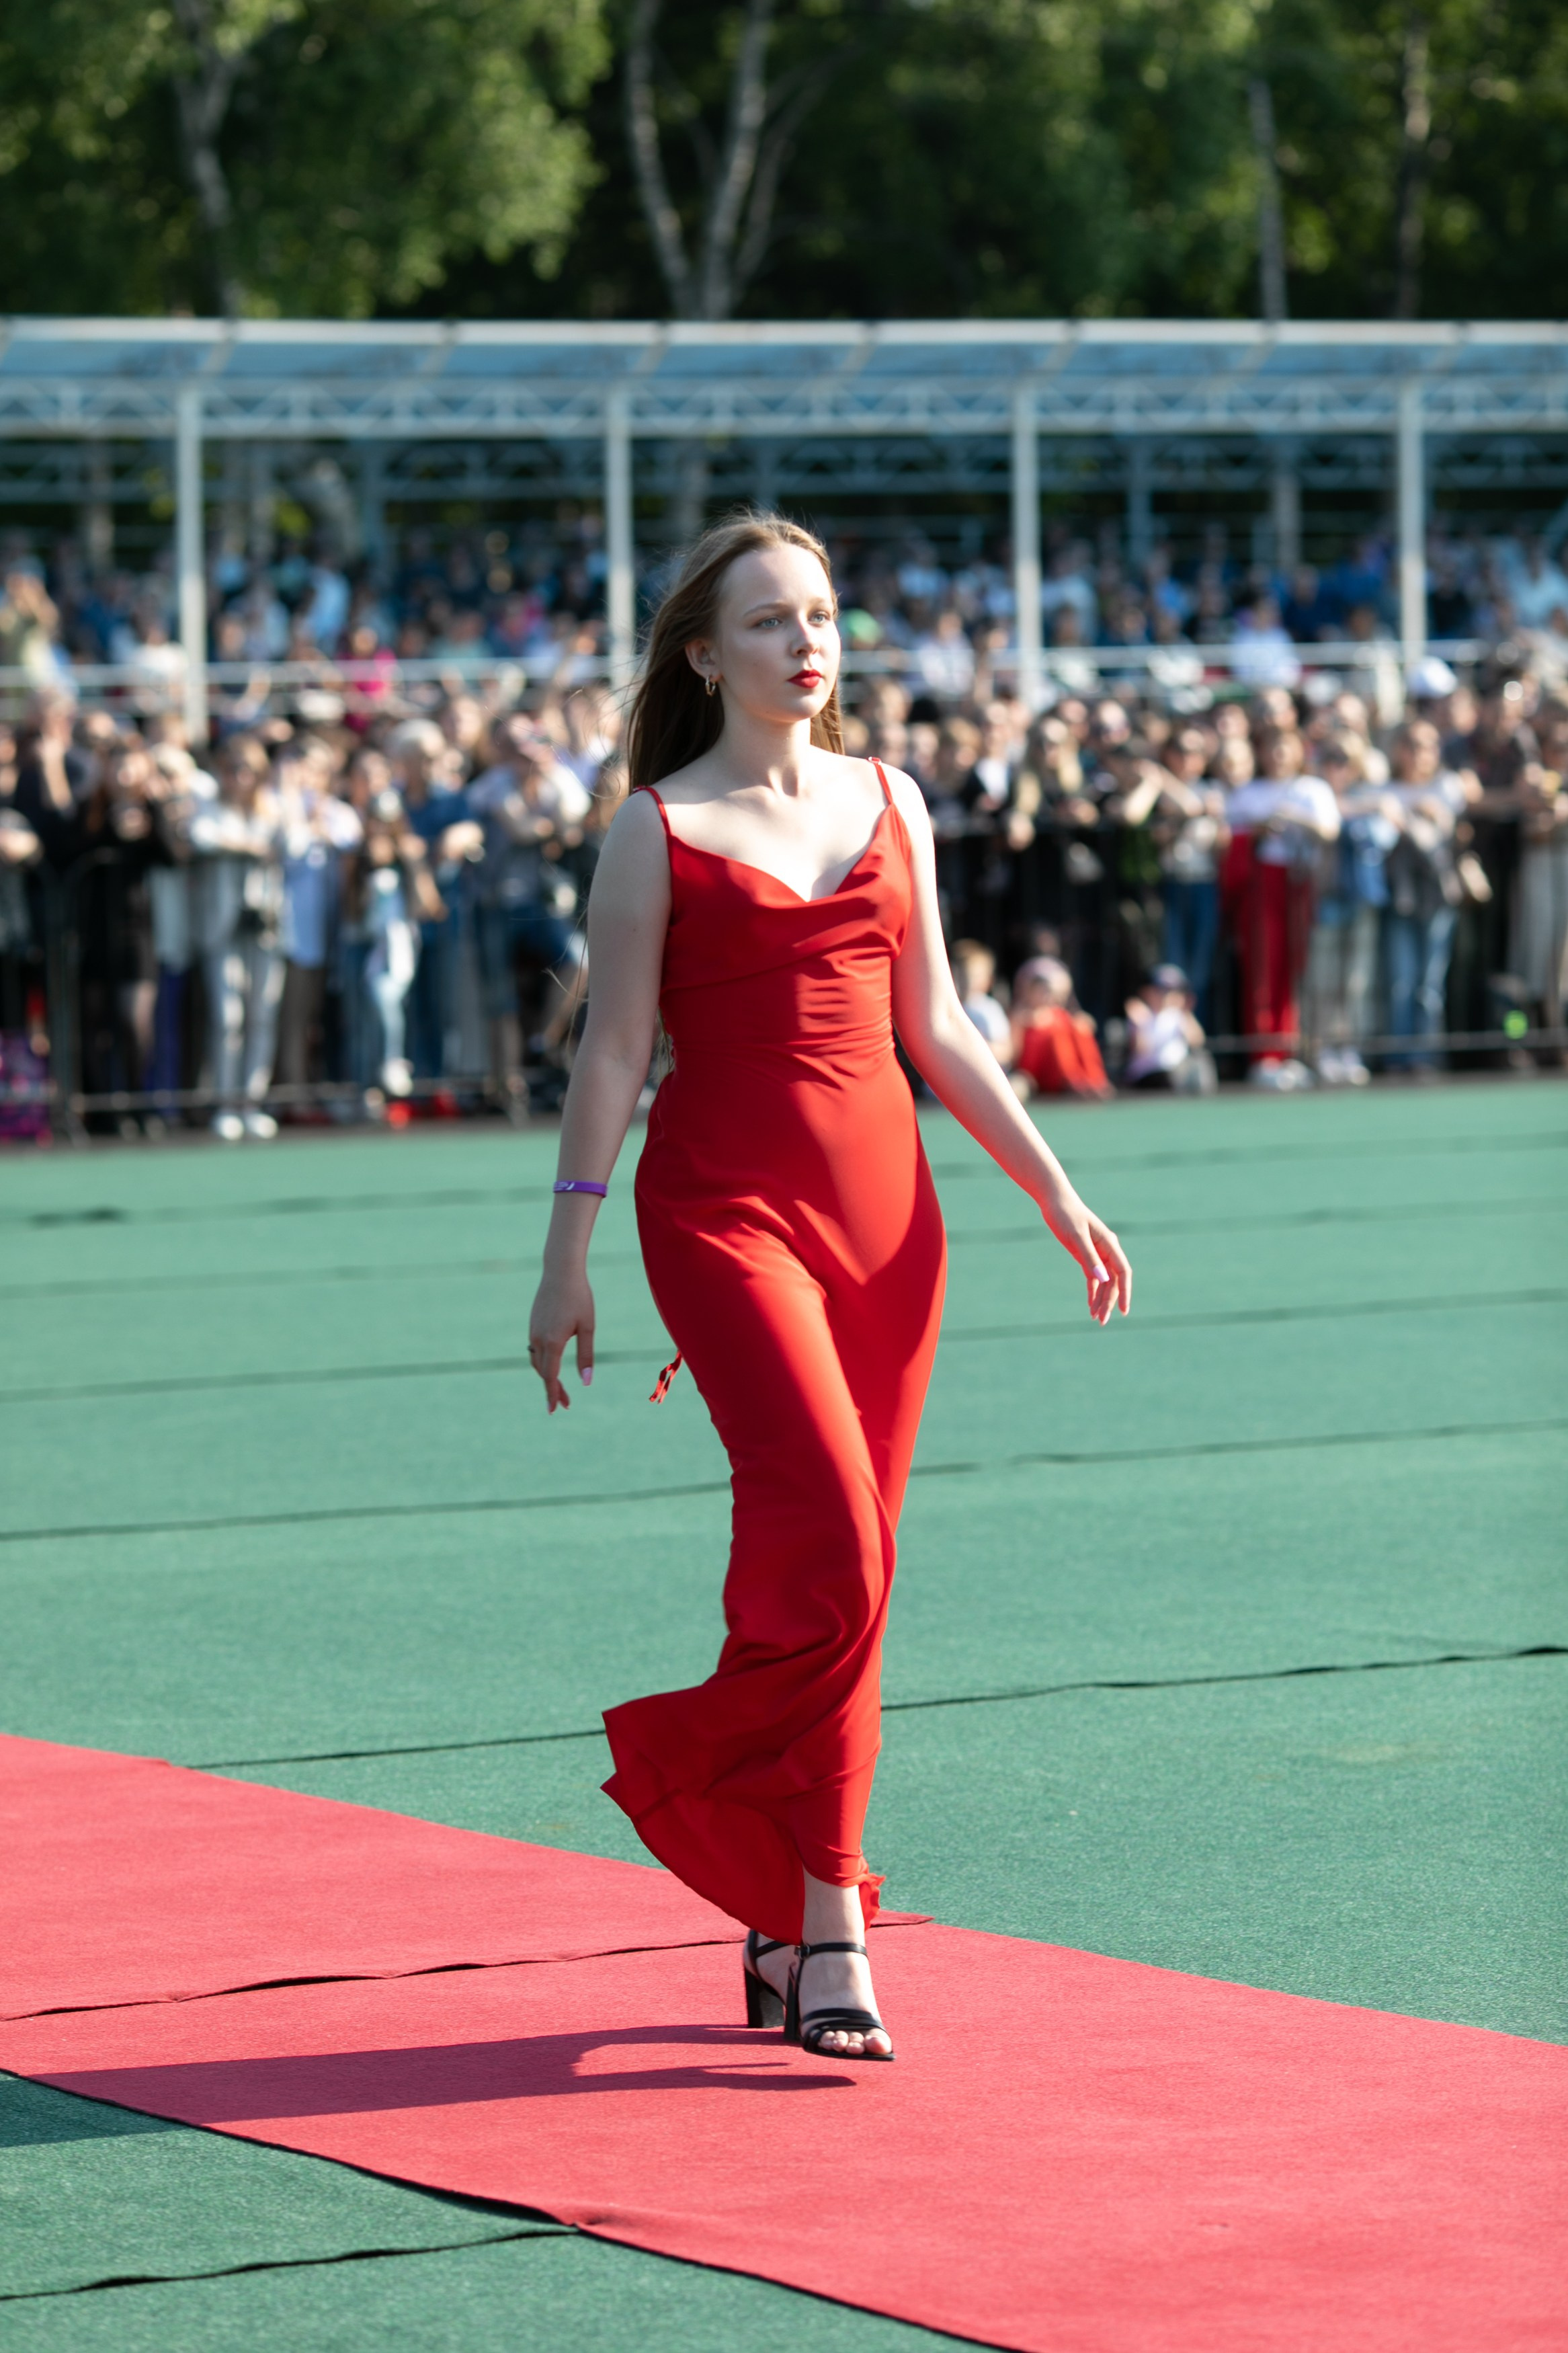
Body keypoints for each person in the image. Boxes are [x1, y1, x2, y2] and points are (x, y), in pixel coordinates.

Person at [526, 512, 1130, 2065]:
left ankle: (786, 1918)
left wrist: (1053, 1192)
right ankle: (821, 1900)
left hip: (890, 1230)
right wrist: (566, 1250)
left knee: (841, 1579)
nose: (811, 642)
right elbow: (611, 1050)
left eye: (825, 614)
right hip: (722, 1219)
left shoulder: (892, 800)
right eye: (773, 619)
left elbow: (936, 1026)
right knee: (842, 1557)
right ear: (701, 653)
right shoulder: (653, 829)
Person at [1008, 954, 1114, 1099]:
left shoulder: (1059, 1015)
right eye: (1040, 991)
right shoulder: (1020, 1017)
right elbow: (1015, 1053)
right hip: (1034, 1072)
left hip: (1057, 1072)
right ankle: (1073, 1081)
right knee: (1057, 1035)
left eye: (1047, 992)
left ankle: (1093, 1080)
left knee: (1079, 1030)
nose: (1044, 996)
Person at [1123, 963, 1215, 1092]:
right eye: (1161, 990)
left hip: (1176, 1074)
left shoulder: (1178, 1015)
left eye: (1173, 991)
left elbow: (1197, 1041)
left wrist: (1186, 1013)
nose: (1166, 995)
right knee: (1170, 1078)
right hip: (1148, 1077)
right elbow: (1142, 1049)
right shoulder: (1141, 1014)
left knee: (1201, 1064)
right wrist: (1141, 1025)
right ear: (1148, 991)